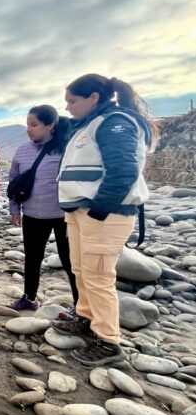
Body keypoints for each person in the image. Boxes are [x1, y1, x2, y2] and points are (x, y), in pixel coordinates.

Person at [51, 74, 156, 366]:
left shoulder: (115, 122)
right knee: (81, 269)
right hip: (81, 211)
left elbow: (123, 170)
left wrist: (101, 207)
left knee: (98, 276)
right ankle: (85, 316)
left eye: (73, 101)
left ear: (94, 97)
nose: (68, 107)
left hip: (102, 213)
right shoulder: (90, 123)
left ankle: (108, 342)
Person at [8, 105, 77, 311]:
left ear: (50, 125)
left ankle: (81, 306)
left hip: (64, 215)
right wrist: (14, 209)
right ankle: (29, 298)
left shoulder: (67, 149)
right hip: (32, 214)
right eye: (27, 124)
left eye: (34, 125)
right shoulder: (22, 150)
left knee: (70, 261)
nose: (29, 129)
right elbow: (14, 180)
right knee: (32, 257)